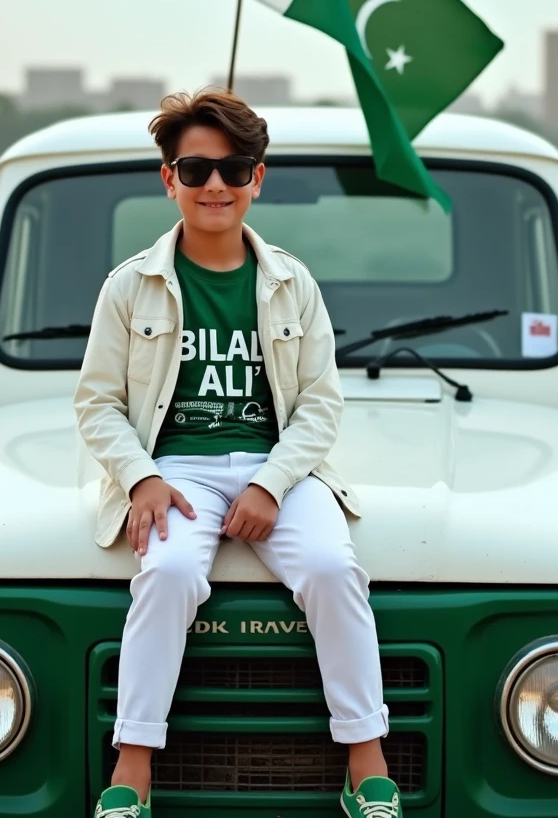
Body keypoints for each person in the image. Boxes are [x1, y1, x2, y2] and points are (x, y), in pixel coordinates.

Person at [74, 90, 402, 818]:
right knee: (165, 574)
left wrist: (272, 484)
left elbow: (320, 404)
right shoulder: (131, 287)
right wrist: (141, 477)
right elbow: (96, 403)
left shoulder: (290, 282)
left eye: (234, 168)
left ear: (257, 179)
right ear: (169, 180)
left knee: (332, 566)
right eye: (194, 169)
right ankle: (131, 774)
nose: (214, 185)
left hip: (278, 468)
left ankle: (366, 764)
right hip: (175, 473)